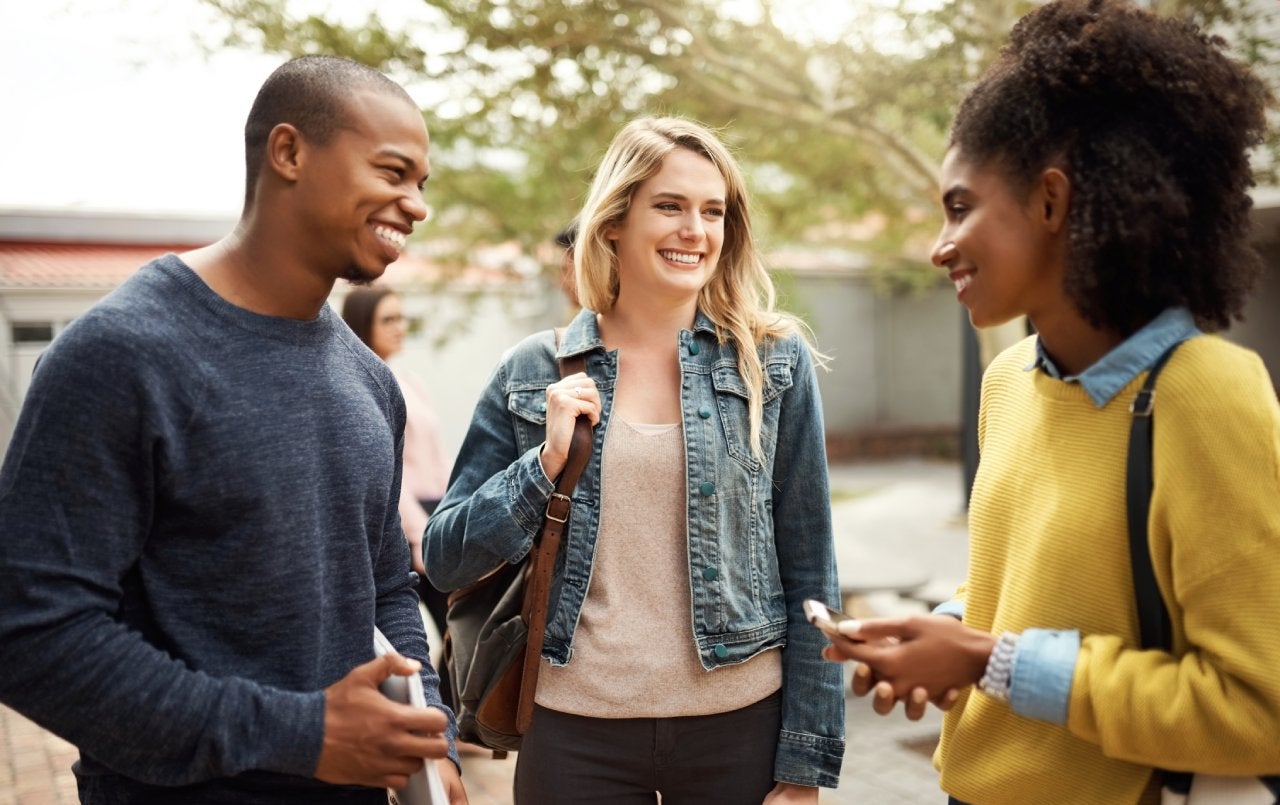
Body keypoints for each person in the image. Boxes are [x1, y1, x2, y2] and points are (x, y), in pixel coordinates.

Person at [822, 1, 1280, 803]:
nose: (938, 247)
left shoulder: (1206, 392)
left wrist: (988, 660)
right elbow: (1024, 593)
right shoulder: (1008, 382)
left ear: (1050, 200)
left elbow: (1257, 710)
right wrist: (940, 637)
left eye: (959, 206)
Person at [0, 55, 468, 804]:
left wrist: (429, 739)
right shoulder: (123, 354)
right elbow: (30, 632)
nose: (415, 205)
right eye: (392, 172)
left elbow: (384, 589)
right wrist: (302, 735)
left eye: (422, 184)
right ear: (288, 152)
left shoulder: (369, 381)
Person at [425, 116, 845, 803]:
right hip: (575, 731)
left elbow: (813, 568)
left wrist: (805, 765)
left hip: (738, 728)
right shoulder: (533, 370)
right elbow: (445, 558)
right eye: (670, 206)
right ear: (615, 221)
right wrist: (543, 466)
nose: (695, 230)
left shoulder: (772, 363)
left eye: (713, 211)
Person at [341, 285, 454, 699]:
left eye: (402, 317)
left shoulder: (410, 382)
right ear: (363, 324)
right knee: (401, 639)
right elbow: (391, 472)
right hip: (401, 524)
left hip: (435, 515)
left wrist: (452, 514)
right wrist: (421, 536)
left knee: (456, 632)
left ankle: (448, 717)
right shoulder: (359, 386)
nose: (400, 327)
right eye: (388, 319)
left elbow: (439, 458)